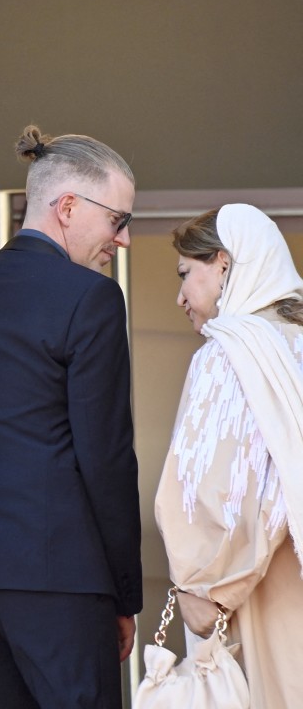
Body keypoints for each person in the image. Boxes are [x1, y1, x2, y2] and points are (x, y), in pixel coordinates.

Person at [0, 125, 143, 708]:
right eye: (118, 220)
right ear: (67, 207)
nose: (124, 239)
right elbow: (105, 455)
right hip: (62, 575)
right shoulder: (90, 297)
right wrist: (124, 594)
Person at [155, 204, 303, 709]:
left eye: (185, 274)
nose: (180, 297)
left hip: (254, 592)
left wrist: (203, 587)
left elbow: (215, 486)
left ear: (224, 263)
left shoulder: (230, 352)